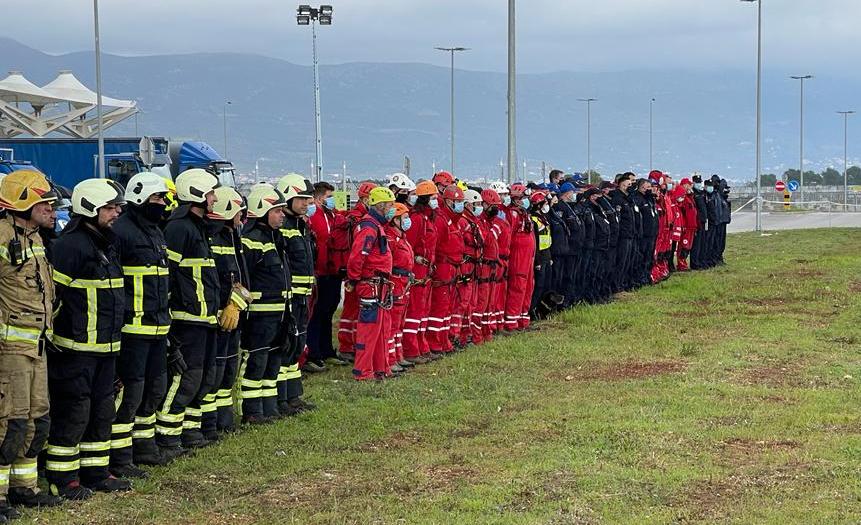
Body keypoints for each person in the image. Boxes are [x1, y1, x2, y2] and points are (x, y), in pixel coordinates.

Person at [46, 178, 130, 499]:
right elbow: (53, 297)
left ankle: (96, 472)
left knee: (102, 410)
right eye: (109, 208)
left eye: (116, 207)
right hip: (75, 350)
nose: (116, 213)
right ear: (89, 209)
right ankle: (63, 478)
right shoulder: (71, 246)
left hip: (105, 348)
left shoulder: (106, 243)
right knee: (74, 411)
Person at [0, 171, 63, 517]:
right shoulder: (2, 235)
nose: (52, 211)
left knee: (36, 419)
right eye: (46, 203)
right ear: (23, 201)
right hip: (10, 351)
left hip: (37, 347)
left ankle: (25, 487)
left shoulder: (35, 238)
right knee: (8, 422)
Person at [109, 172, 171, 478]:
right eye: (157, 198)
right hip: (132, 330)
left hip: (158, 327)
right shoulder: (122, 232)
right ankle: (120, 456)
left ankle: (144, 446)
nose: (161, 204)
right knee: (130, 393)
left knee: (155, 388)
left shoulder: (155, 231)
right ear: (139, 197)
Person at [156, 169, 220, 456]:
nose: (214, 198)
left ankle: (190, 430)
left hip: (205, 317)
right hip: (187, 318)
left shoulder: (198, 227)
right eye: (210, 193)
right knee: (185, 378)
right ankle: (168, 437)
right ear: (195, 193)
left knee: (202, 377)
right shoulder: (179, 228)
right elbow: (167, 275)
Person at [239, 183, 291, 423]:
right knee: (256, 362)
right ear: (262, 210)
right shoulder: (251, 241)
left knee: (273, 362)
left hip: (279, 313)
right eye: (277, 210)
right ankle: (251, 411)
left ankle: (269, 408)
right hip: (259, 316)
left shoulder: (276, 238)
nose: (282, 215)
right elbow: (244, 278)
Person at [206, 186, 249, 434]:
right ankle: (210, 424)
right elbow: (217, 279)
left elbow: (239, 278)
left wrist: (238, 304)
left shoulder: (233, 237)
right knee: (216, 370)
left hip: (233, 313)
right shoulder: (215, 238)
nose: (241, 218)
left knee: (228, 370)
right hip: (219, 316)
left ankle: (223, 421)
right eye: (238, 212)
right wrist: (225, 305)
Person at [275, 174, 317, 415]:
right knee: (286, 345)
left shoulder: (301, 226)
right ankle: (280, 398)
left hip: (303, 295)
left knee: (297, 346)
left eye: (308, 199)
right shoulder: (283, 228)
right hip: (288, 297)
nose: (306, 203)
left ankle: (293, 395)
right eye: (301, 198)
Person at [346, 187, 395, 380]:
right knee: (368, 330)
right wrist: (354, 279)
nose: (392, 209)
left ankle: (380, 368)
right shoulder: (369, 227)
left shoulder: (376, 225)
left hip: (380, 285)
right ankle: (363, 371)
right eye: (390, 205)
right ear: (381, 206)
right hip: (371, 285)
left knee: (380, 330)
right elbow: (358, 256)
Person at [333, 181, 377, 362]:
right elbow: (358, 250)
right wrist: (354, 275)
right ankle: (347, 346)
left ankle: (353, 345)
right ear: (366, 198)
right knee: (352, 310)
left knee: (355, 311)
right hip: (356, 271)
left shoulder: (363, 217)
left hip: (358, 270)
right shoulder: (358, 219)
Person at [306, 182, 347, 368]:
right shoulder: (313, 216)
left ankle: (327, 349)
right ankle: (313, 352)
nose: (332, 200)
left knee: (329, 311)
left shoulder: (332, 215)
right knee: (317, 313)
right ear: (319, 197)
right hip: (319, 272)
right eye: (329, 196)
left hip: (333, 270)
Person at [402, 181, 438, 364]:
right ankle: (411, 349)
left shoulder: (428, 218)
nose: (436, 201)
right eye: (433, 198)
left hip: (426, 268)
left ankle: (422, 346)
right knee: (415, 311)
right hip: (417, 269)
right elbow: (409, 245)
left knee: (423, 311)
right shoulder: (416, 219)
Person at [426, 184, 464, 354]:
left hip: (453, 267)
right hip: (443, 267)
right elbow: (434, 245)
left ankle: (444, 341)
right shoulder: (441, 220)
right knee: (439, 307)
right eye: (457, 201)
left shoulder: (453, 220)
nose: (460, 204)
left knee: (448, 307)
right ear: (448, 201)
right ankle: (435, 342)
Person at [385, 203, 415, 373]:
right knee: (393, 323)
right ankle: (390, 359)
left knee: (399, 323)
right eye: (404, 218)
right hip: (396, 282)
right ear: (395, 220)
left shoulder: (401, 237)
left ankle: (398, 355)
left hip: (404, 281)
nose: (408, 221)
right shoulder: (390, 239)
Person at [502, 183, 534, 331]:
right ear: (516, 199)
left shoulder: (524, 213)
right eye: (524, 197)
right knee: (517, 285)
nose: (526, 200)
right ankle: (511, 320)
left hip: (528, 256)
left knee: (528, 285)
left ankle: (523, 317)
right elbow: (508, 236)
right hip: (518, 256)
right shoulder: (512, 214)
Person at [456, 189, 485, 347]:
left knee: (471, 303)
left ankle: (466, 335)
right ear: (467, 205)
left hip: (473, 266)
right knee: (463, 302)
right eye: (476, 204)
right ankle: (458, 336)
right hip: (466, 266)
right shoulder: (463, 221)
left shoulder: (472, 221)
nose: (479, 207)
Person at [486, 182, 512, 333]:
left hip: (504, 258)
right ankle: (493, 324)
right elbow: (491, 241)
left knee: (500, 294)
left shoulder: (503, 216)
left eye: (505, 195)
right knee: (493, 296)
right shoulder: (495, 220)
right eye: (501, 195)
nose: (504, 198)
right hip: (497, 260)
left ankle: (498, 322)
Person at [610, 175, 637, 292]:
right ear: (621, 184)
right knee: (620, 261)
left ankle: (622, 283)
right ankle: (616, 285)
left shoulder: (628, 198)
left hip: (630, 233)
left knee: (627, 261)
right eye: (627, 184)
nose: (629, 187)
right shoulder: (617, 198)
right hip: (623, 235)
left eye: (630, 184)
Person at [529, 192, 554, 317]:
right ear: (538, 205)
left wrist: (549, 257)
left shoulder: (543, 217)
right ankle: (532, 309)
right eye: (544, 203)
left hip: (546, 254)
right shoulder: (533, 219)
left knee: (546, 284)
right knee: (538, 285)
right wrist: (537, 261)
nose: (547, 205)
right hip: (539, 256)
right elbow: (535, 242)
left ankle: (542, 308)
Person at [673, 179, 699, 272]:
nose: (690, 187)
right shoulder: (683, 199)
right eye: (688, 185)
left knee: (688, 246)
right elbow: (681, 212)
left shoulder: (689, 198)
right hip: (686, 226)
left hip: (691, 226)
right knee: (683, 245)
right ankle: (681, 263)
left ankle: (684, 262)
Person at [690, 175, 708, 270]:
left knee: (702, 243)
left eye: (699, 182)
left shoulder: (701, 193)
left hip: (703, 220)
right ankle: (695, 263)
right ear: (693, 182)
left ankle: (701, 261)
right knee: (696, 244)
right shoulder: (693, 194)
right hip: (697, 221)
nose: (699, 184)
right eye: (697, 182)